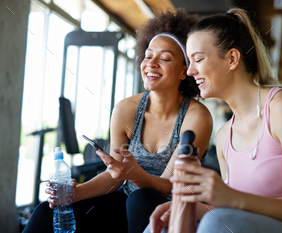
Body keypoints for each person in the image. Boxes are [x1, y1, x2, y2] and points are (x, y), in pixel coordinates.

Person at [145, 7, 282, 233]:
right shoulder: (224, 136)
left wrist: (229, 198)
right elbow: (240, 211)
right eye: (189, 61)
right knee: (167, 223)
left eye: (198, 59)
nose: (191, 71)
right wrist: (191, 207)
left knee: (214, 224)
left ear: (232, 59)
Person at [23, 9, 212, 233]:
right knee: (45, 212)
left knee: (140, 199)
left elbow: (171, 186)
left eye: (165, 59)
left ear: (184, 70)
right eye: (148, 56)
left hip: (172, 210)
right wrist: (77, 193)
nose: (151, 64)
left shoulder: (196, 117)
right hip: (127, 202)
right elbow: (115, 176)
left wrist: (134, 175)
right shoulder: (126, 110)